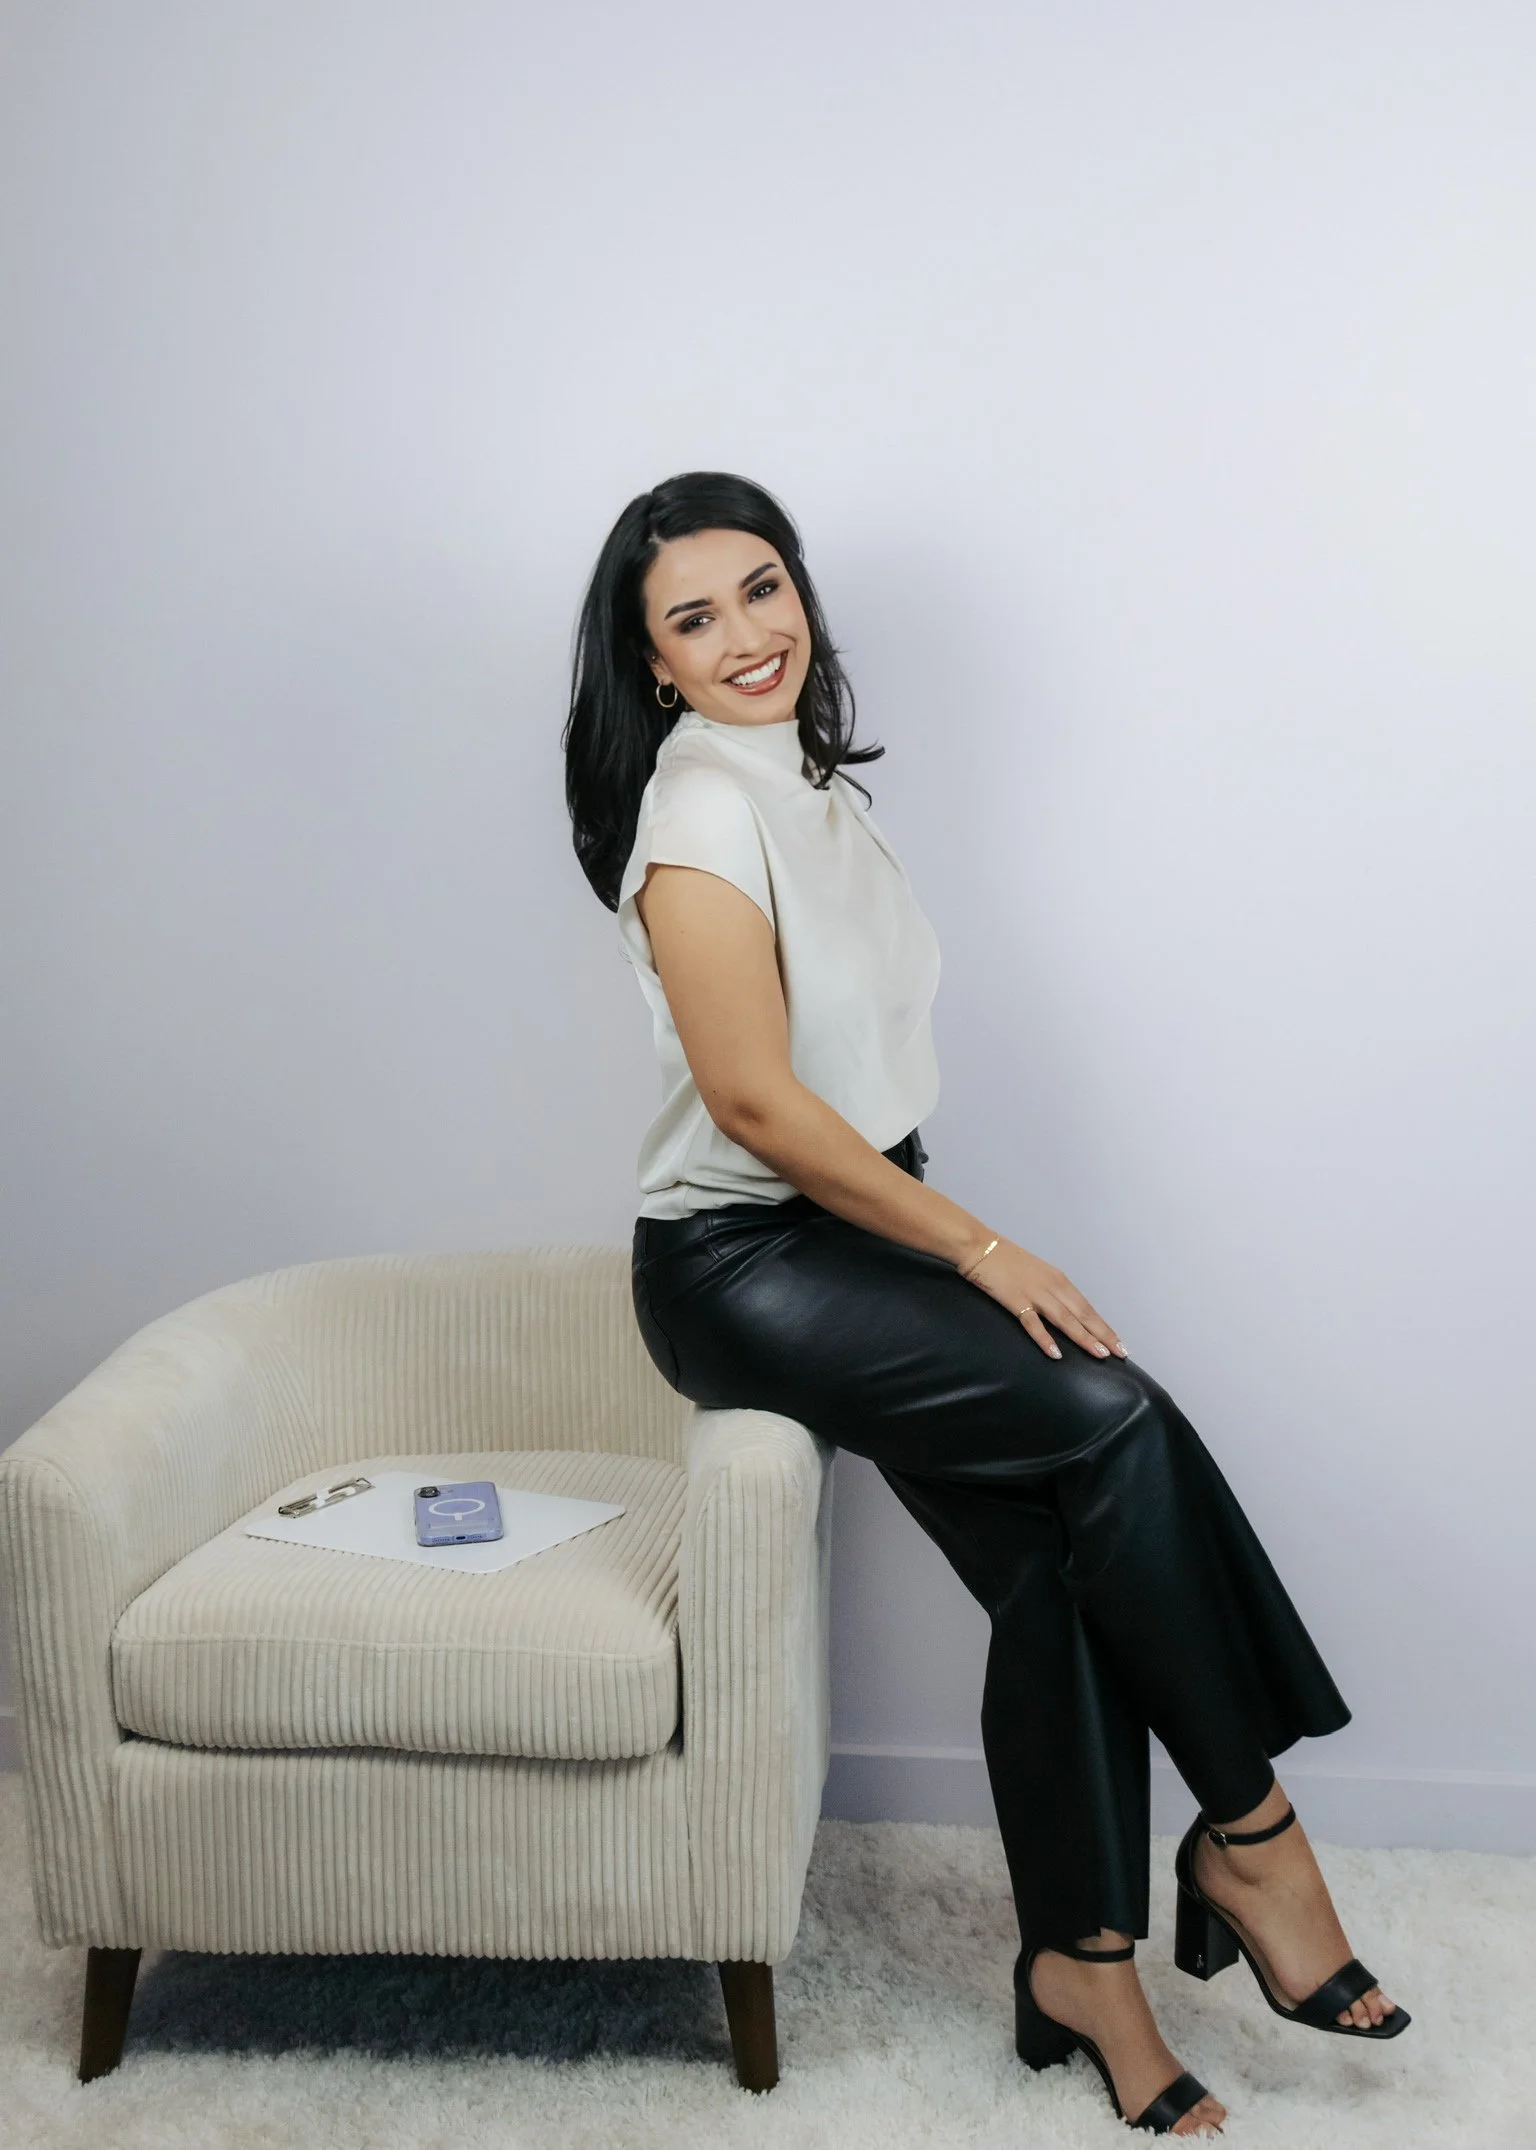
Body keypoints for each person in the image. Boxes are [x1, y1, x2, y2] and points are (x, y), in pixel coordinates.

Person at [562, 471, 1409, 2137]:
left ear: (802, 589)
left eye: (763, 586)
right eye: (694, 617)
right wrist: (979, 1249)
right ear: (652, 661)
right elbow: (754, 1104)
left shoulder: (806, 782)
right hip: (745, 1263)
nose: (746, 634)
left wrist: (934, 1230)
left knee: (1055, 1565)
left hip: (849, 1229)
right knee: (1119, 1422)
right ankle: (1252, 1834)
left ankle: (1084, 1963)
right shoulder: (701, 809)